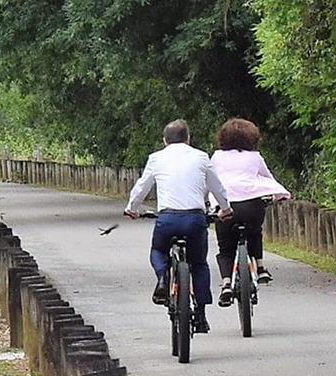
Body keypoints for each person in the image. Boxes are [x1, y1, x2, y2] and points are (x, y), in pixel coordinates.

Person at [125, 119, 233, 333]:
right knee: (199, 263)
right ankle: (201, 314)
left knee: (158, 250)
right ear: (188, 138)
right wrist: (225, 208)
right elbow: (217, 188)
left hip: (168, 219)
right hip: (195, 220)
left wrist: (132, 208)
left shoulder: (156, 158)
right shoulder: (201, 157)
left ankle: (163, 279)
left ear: (165, 141)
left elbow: (141, 187)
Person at [209, 118, 292, 307]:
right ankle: (261, 268)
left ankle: (226, 284)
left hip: (226, 207)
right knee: (254, 232)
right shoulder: (255, 157)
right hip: (251, 207)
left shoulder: (217, 157)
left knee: (225, 247)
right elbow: (268, 179)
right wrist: (277, 196)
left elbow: (211, 181)